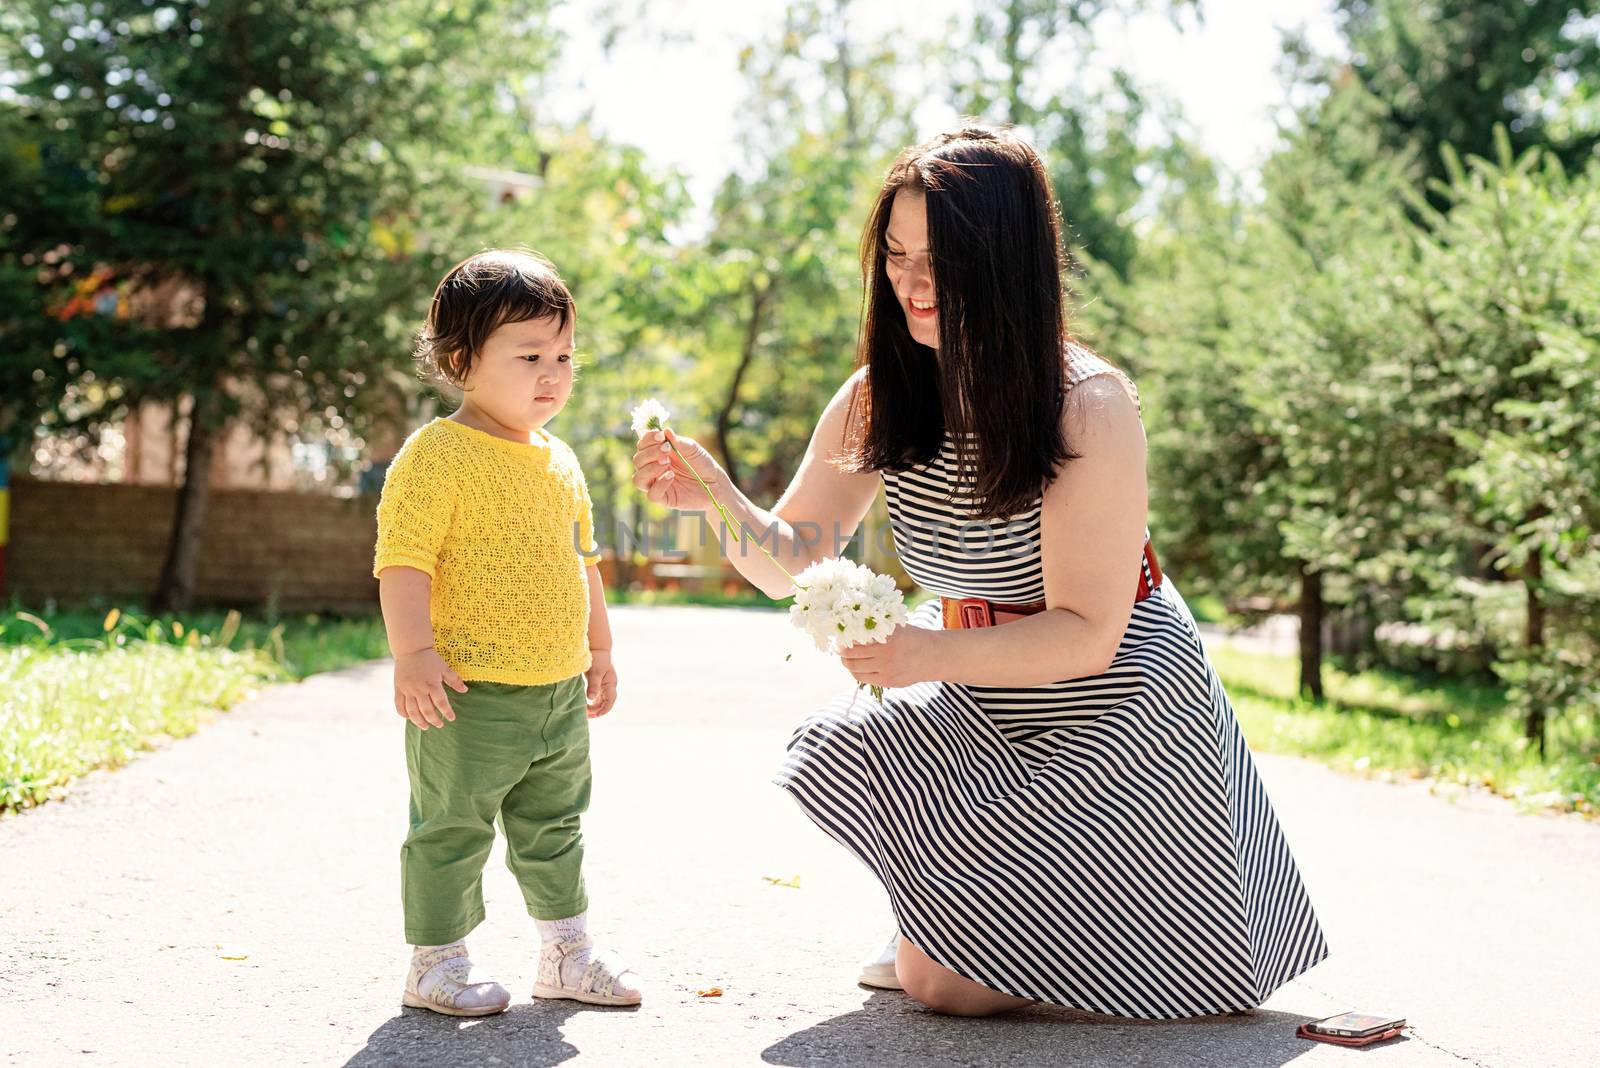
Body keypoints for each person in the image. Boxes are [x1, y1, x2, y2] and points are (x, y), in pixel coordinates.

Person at [632, 127, 1327, 1019]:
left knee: (935, 986)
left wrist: (921, 655)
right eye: (896, 256)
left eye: (940, 261)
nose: (913, 285)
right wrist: (716, 496)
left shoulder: (1088, 403)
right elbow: (793, 560)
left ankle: (1005, 929)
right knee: (854, 761)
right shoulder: (882, 391)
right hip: (981, 693)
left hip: (1116, 713)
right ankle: (964, 920)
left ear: (1002, 261)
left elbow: (1088, 634)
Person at [375, 249, 641, 1016]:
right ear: (462, 360)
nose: (552, 373)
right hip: (468, 692)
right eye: (529, 356)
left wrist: (601, 649)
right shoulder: (437, 455)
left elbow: (582, 561)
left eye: (563, 355)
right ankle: (436, 963)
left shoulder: (560, 459)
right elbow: (403, 562)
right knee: (452, 829)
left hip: (556, 692)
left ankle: (567, 954)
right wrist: (413, 654)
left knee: (555, 827)